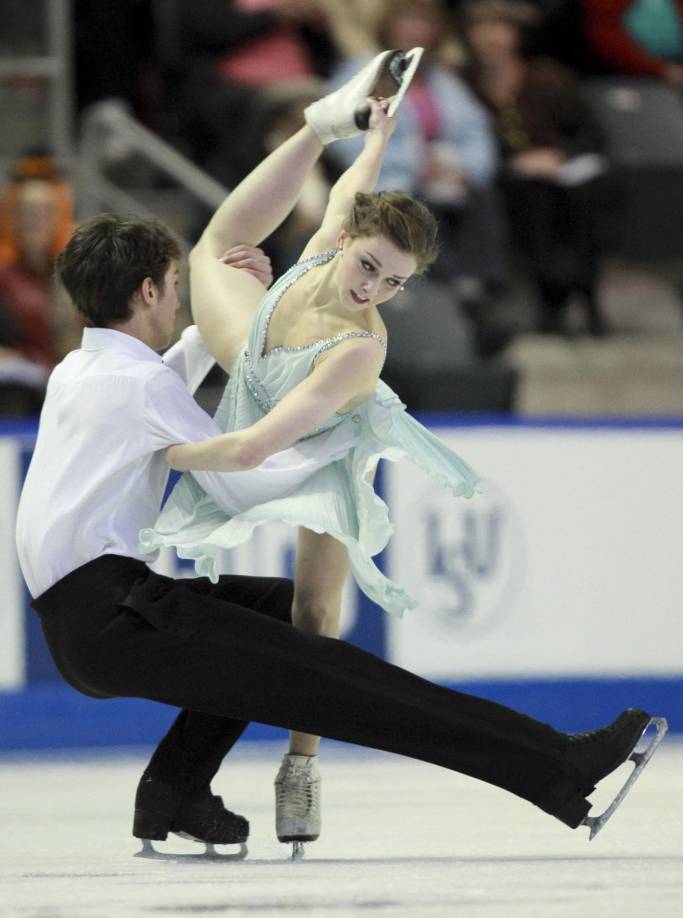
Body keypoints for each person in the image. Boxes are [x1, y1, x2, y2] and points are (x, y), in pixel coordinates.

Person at [15, 54, 664, 862]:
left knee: (276, 608)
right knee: (350, 685)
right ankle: (562, 766)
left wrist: (220, 326)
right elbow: (239, 472)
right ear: (147, 292)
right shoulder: (142, 390)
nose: (183, 292)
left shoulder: (87, 367)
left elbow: (172, 370)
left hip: (87, 617)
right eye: (176, 285)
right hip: (119, 618)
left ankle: (174, 792)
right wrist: (323, 455)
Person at [461, 0, 615, 335]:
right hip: (504, 175)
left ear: (516, 36)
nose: (491, 38)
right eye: (482, 29)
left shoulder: (548, 77)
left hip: (564, 166)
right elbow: (464, 140)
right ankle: (551, 297)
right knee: (532, 197)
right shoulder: (464, 83)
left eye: (499, 29)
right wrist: (514, 163)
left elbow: (591, 134)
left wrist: (558, 155)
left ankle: (586, 292)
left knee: (590, 193)